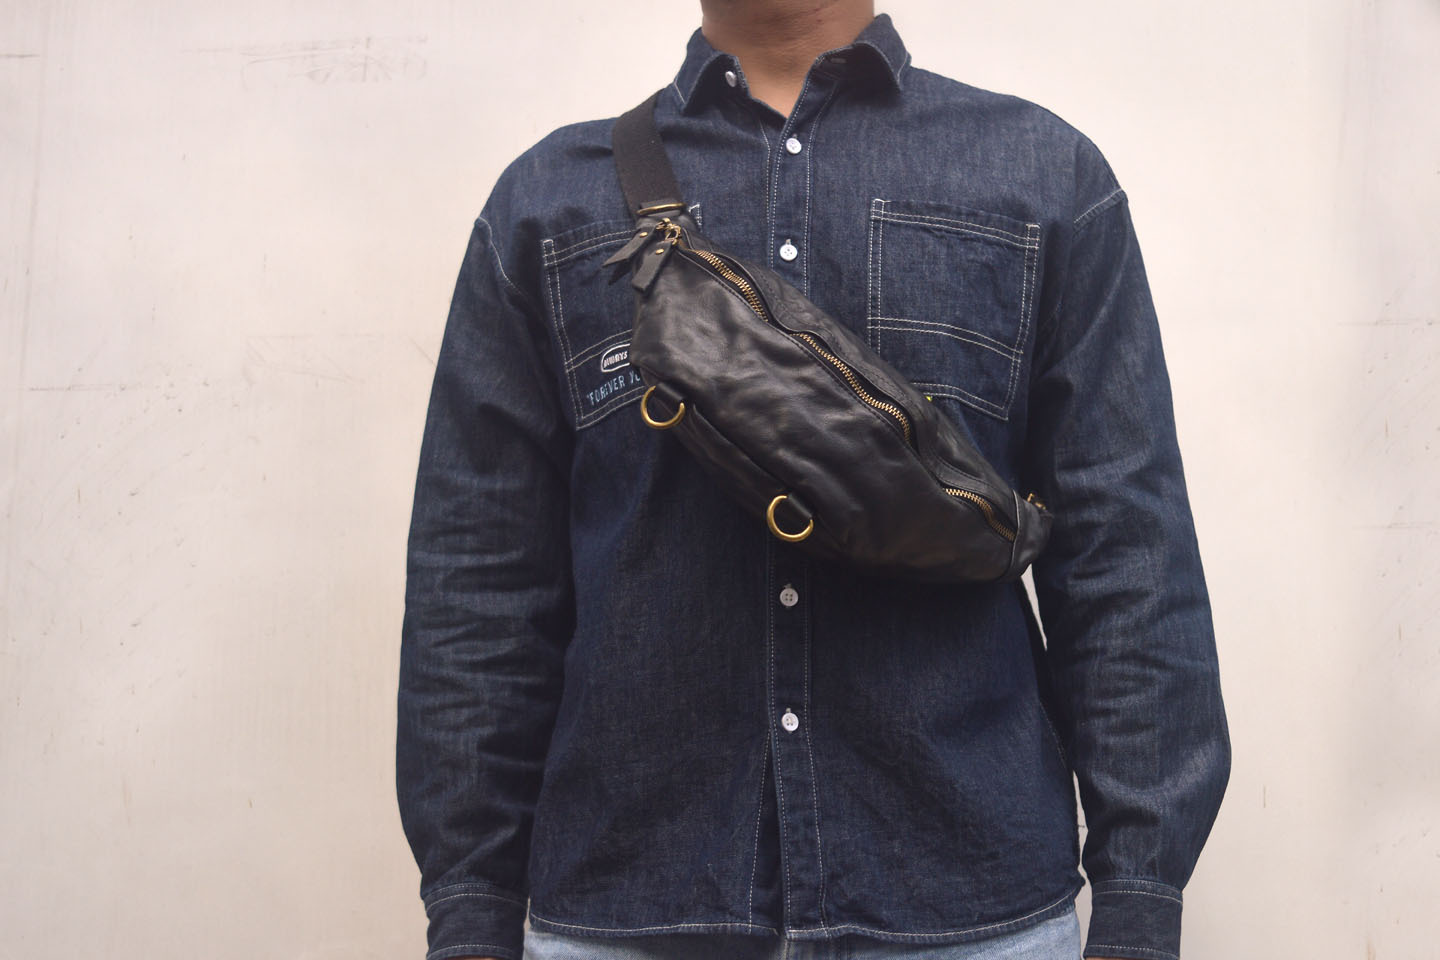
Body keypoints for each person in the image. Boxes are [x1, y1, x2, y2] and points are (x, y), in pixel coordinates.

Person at [396, 2, 1231, 959]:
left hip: (971, 916)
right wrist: (470, 912)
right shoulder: (548, 206)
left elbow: (1126, 553)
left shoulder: (1044, 178)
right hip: (623, 912)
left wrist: (1140, 903)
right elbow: (479, 584)